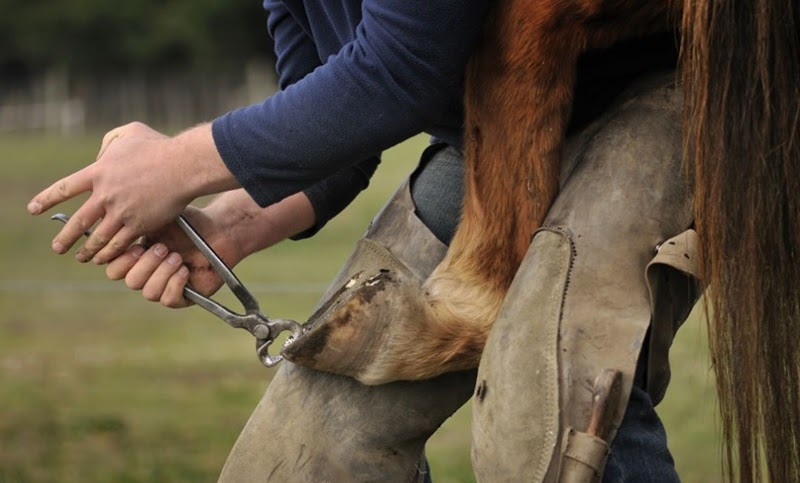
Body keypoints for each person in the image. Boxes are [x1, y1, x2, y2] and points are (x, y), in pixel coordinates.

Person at [28, 1, 693, 480]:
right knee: (299, 462)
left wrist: (174, 164)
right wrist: (229, 224)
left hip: (666, 85)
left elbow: (403, 66)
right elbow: (337, 123)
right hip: (494, 125)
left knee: (546, 415)